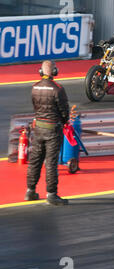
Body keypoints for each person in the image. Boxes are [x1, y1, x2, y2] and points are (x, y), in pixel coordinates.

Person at [25, 60, 70, 206]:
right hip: (52, 129)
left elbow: (35, 107)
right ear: (55, 72)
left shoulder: (34, 87)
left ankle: (30, 191)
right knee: (50, 163)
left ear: (40, 71)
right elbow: (64, 111)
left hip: (38, 128)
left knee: (35, 161)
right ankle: (51, 194)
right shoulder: (58, 89)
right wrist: (64, 122)